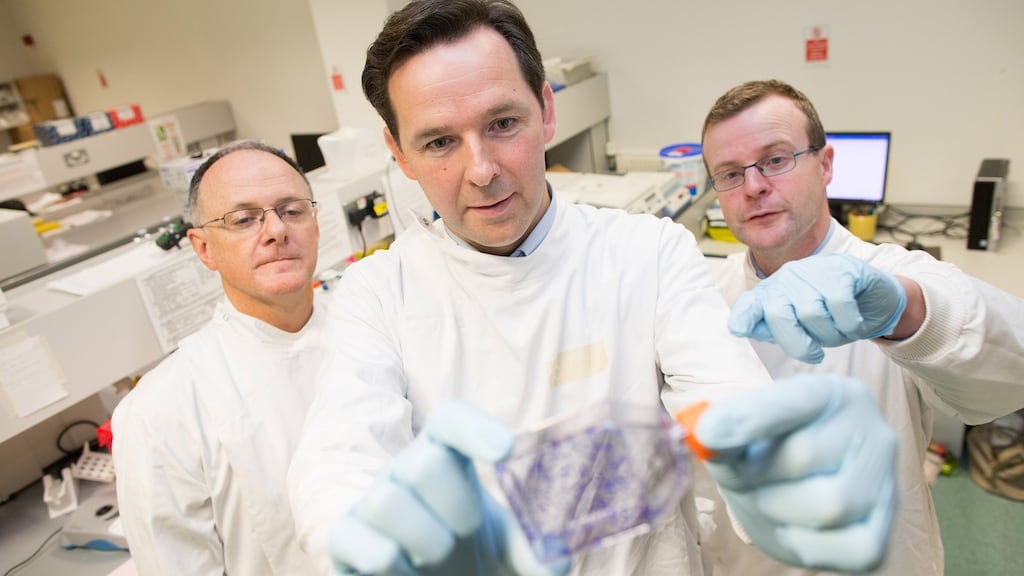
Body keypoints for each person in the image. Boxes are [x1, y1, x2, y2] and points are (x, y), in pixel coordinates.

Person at [288, 3, 899, 575]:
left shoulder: (647, 252)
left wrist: (783, 469)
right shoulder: (377, 292)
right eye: (440, 142)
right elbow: (340, 459)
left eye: (503, 123)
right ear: (399, 153)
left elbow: (728, 395)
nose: (481, 170)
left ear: (546, 112)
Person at [699, 79, 1024, 576]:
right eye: (728, 173)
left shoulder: (895, 276)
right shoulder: (705, 294)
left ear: (825, 165)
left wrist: (906, 314)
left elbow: (1008, 374)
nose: (754, 186)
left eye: (777, 159)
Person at [112, 140, 330, 574]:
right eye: (244, 219)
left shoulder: (376, 333)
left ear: (315, 223)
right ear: (203, 248)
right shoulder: (162, 409)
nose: (276, 230)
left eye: (292, 209)